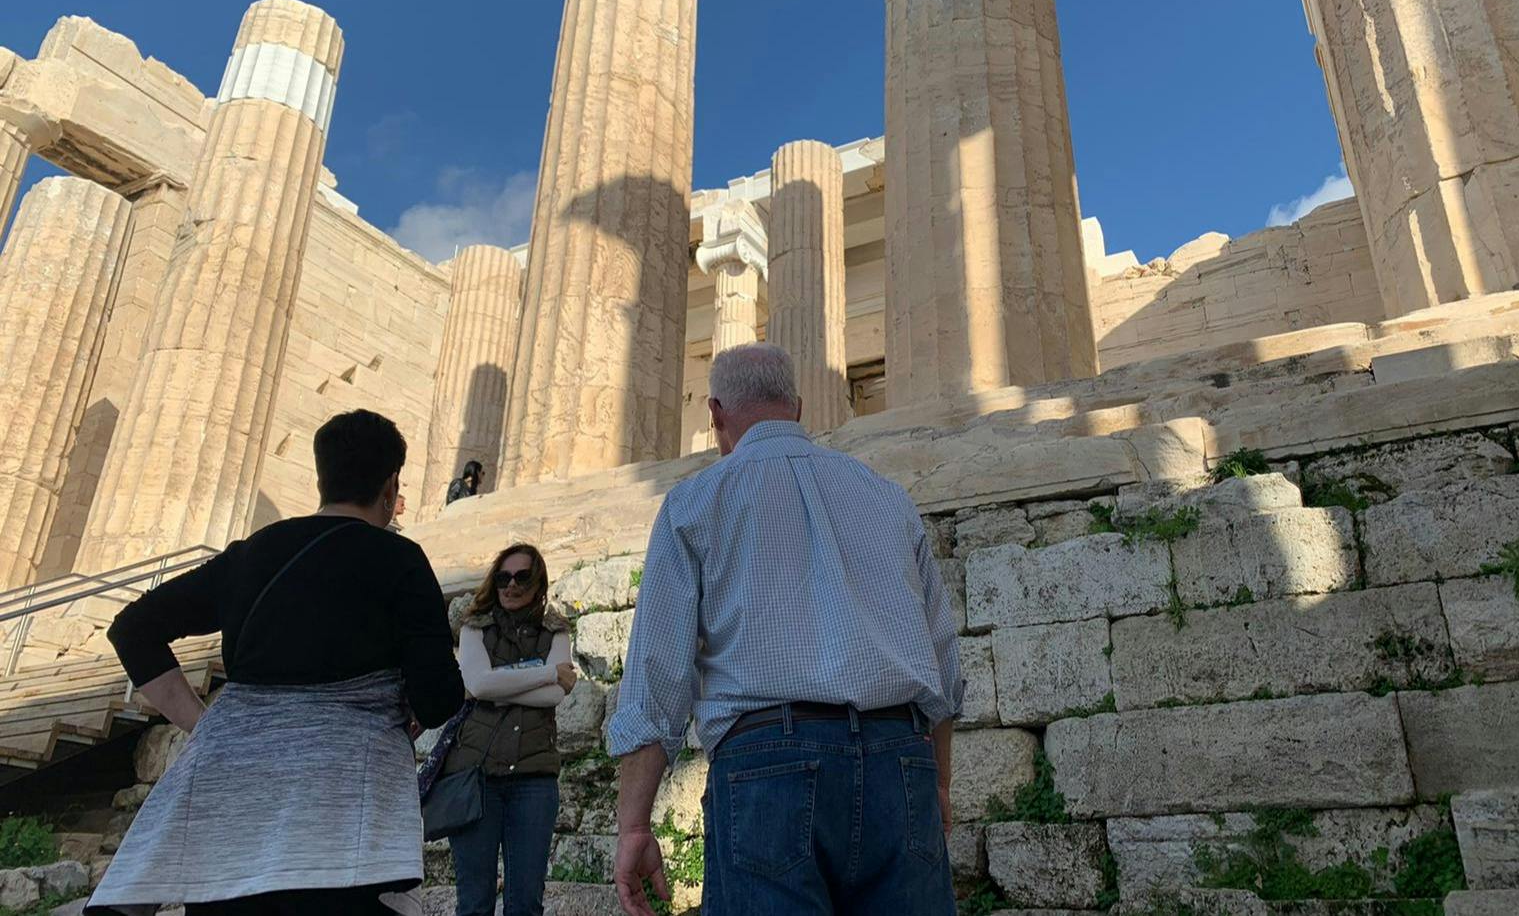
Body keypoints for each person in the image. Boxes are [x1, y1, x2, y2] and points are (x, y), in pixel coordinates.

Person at [607, 343, 964, 916]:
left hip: (766, 764)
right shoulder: (887, 498)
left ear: (716, 416)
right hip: (900, 757)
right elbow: (942, 660)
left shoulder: (694, 503)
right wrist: (938, 782)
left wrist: (633, 826)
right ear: (798, 409)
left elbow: (657, 679)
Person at [88, 410, 465, 916]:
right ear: (391, 483)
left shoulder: (252, 554)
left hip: (229, 803)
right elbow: (439, 695)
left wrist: (204, 725)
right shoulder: (399, 559)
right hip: (341, 814)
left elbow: (133, 629)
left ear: (320, 477)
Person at [442, 543, 577, 916]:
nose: (511, 585)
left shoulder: (556, 629)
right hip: (475, 776)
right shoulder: (474, 626)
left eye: (522, 577)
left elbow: (552, 697)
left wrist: (500, 688)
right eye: (503, 577)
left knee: (526, 903)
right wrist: (548, 671)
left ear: (539, 581)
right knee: (474, 903)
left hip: (534, 780)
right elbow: (480, 685)